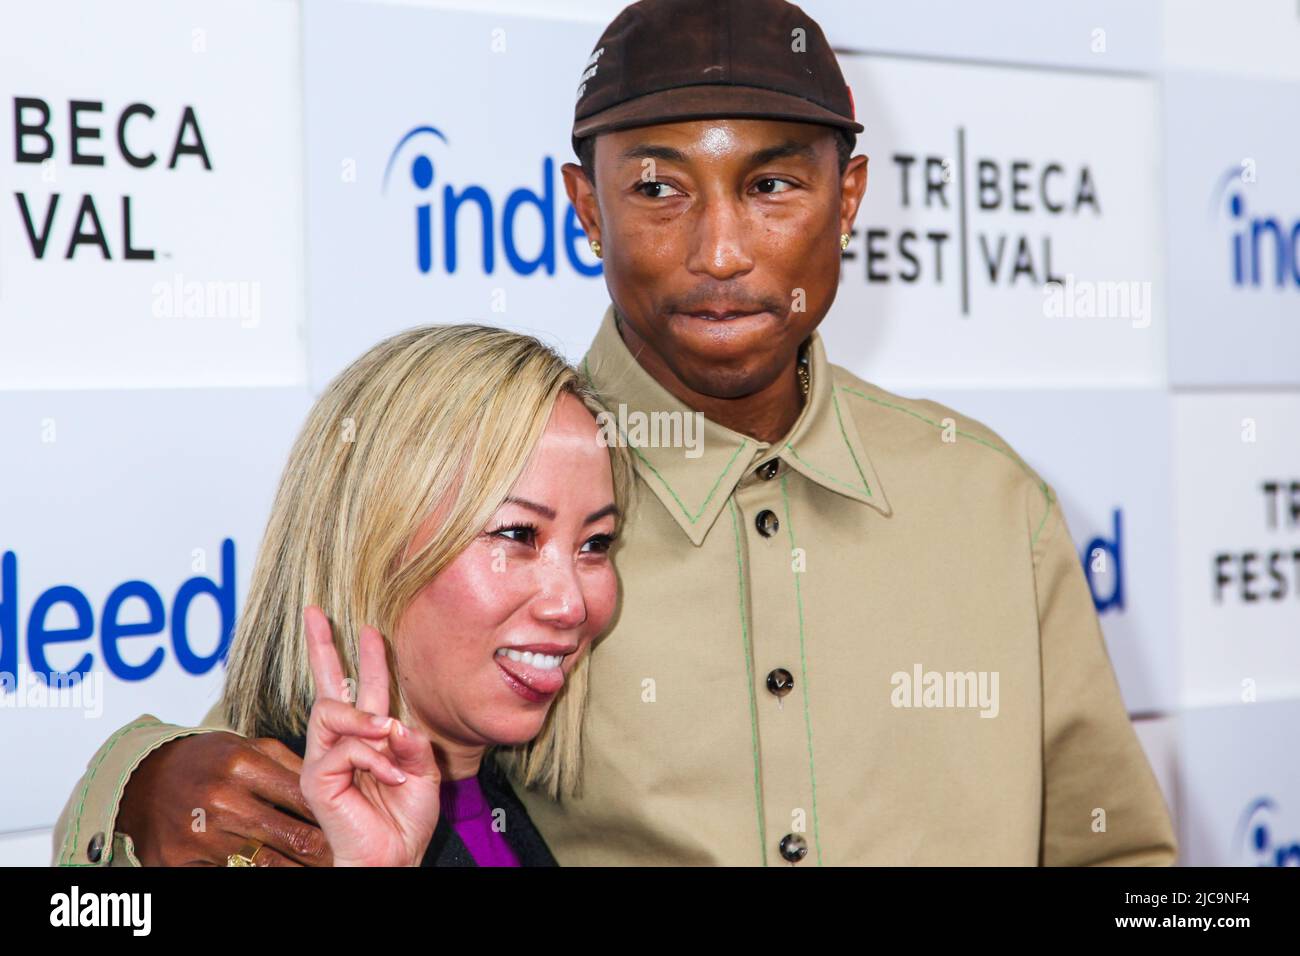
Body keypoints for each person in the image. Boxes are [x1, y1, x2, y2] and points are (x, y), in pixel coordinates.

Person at [52, 0, 1177, 867]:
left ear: (850, 199)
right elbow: (281, 761)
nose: (721, 249)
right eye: (657, 189)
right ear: (585, 206)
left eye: (774, 184)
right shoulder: (481, 475)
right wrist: (141, 789)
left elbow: (1117, 851)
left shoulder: (988, 501)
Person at [56, 323, 632, 866]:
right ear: (370, 544)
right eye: (517, 535)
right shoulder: (248, 833)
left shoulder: (512, 799)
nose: (571, 604)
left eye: (596, 543)